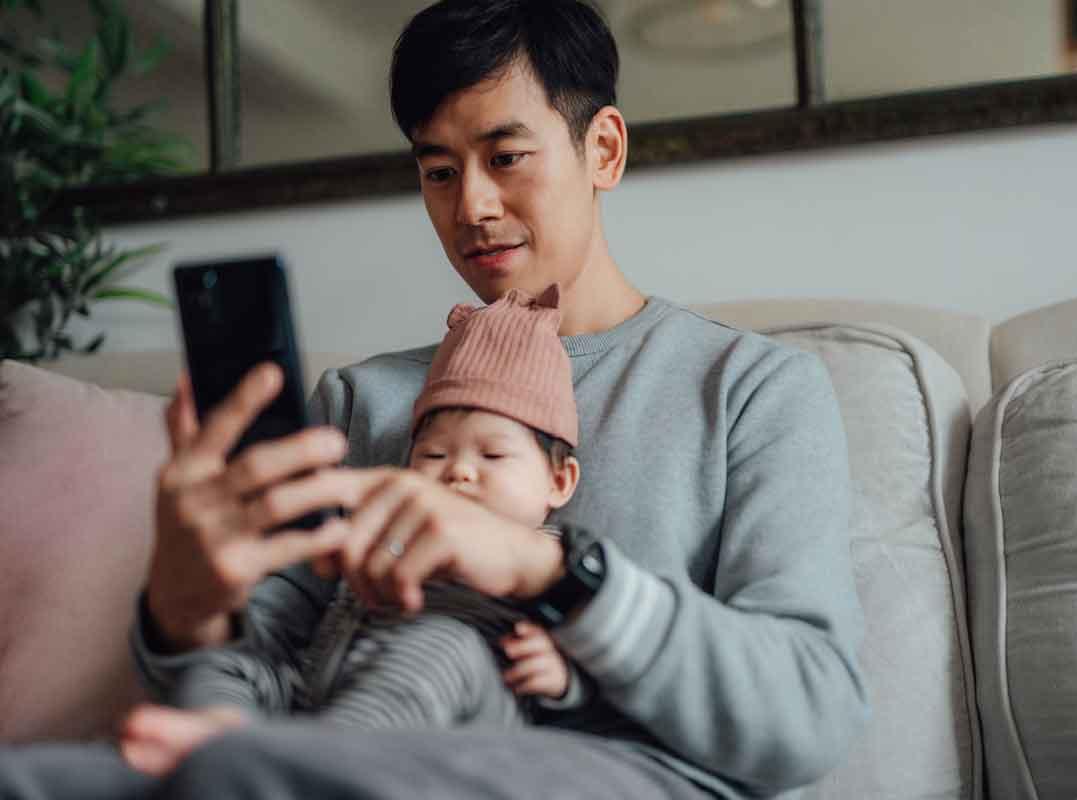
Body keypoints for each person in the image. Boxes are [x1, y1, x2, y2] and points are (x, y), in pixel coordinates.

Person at [0, 1, 867, 798]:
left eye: (505, 157)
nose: (473, 206)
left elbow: (811, 712)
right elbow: (241, 702)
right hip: (306, 763)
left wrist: (545, 569)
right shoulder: (361, 400)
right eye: (440, 171)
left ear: (602, 150)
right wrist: (188, 612)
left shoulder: (751, 389)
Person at [149, 285, 593, 736]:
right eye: (434, 456)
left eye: (493, 456)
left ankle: (302, 765)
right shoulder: (388, 529)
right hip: (325, 684)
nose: (459, 472)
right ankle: (219, 736)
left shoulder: (559, 562)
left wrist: (564, 679)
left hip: (459, 714)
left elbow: (604, 665)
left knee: (441, 647)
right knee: (225, 664)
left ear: (559, 481)